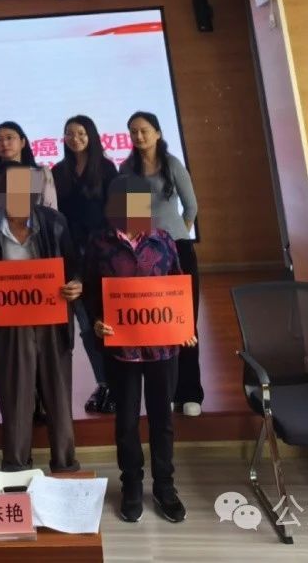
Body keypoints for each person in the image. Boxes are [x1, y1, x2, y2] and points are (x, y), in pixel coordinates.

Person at [84, 174, 196, 524]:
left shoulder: (163, 240)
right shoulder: (99, 244)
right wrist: (97, 321)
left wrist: (185, 327)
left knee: (163, 420)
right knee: (127, 421)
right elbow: (90, 292)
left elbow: (178, 286)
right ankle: (131, 485)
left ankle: (165, 487)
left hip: (162, 348)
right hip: (122, 349)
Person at [0, 162, 82, 473]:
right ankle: (15, 470)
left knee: (58, 398)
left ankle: (65, 468)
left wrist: (76, 284)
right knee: (15, 399)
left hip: (52, 320)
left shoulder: (55, 222)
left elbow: (74, 266)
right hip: (8, 325)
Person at [119, 110, 202, 416]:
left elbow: (191, 207)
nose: (139, 136)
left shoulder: (172, 164)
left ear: (157, 133)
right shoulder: (127, 169)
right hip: (145, 255)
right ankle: (164, 392)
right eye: (133, 132)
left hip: (177, 249)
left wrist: (174, 238)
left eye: (144, 130)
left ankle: (190, 393)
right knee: (156, 323)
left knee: (185, 320)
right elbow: (133, 216)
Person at [52, 115, 118, 414]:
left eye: (80, 133)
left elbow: (118, 214)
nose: (74, 138)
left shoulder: (107, 168)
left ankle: (118, 382)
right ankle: (104, 382)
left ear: (91, 135)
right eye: (69, 133)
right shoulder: (57, 171)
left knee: (108, 321)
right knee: (86, 325)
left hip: (103, 257)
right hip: (72, 259)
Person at [0, 121, 58, 226]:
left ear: (22, 142)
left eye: (9, 138)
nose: (4, 143)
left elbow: (51, 212)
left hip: (37, 233)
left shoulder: (40, 173)